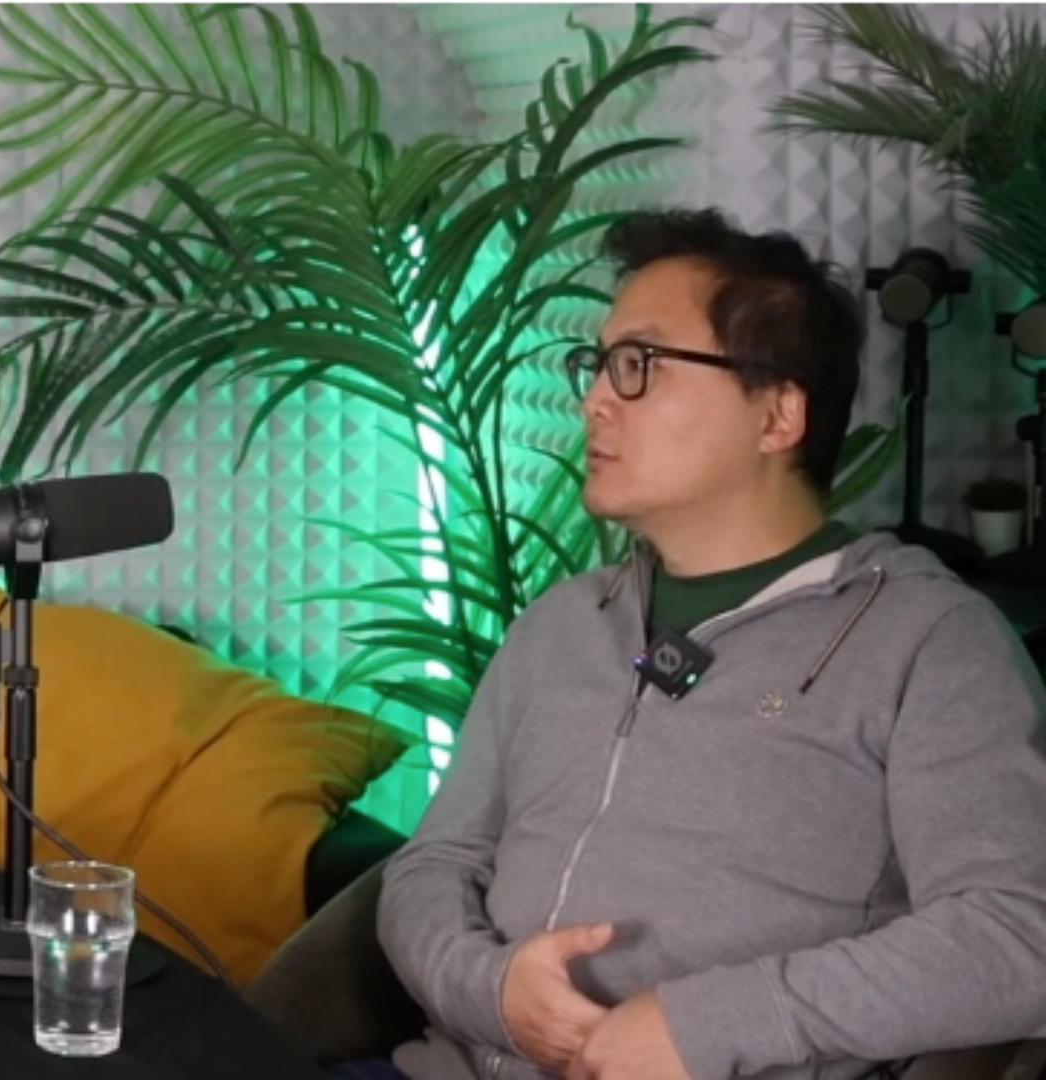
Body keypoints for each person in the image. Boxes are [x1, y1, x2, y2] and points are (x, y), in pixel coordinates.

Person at [367, 208, 1046, 1080]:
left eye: (639, 364)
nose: (594, 400)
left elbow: (1017, 932)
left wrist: (705, 1025)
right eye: (597, 364)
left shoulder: (927, 642)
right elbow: (435, 863)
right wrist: (491, 990)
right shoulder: (561, 622)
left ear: (778, 415)